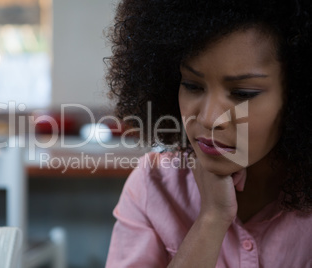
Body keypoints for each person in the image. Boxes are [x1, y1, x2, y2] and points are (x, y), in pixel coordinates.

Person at [104, 0, 312, 267]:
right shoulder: (153, 185)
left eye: (242, 94)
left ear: (297, 95)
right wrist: (211, 220)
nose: (209, 118)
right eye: (192, 86)